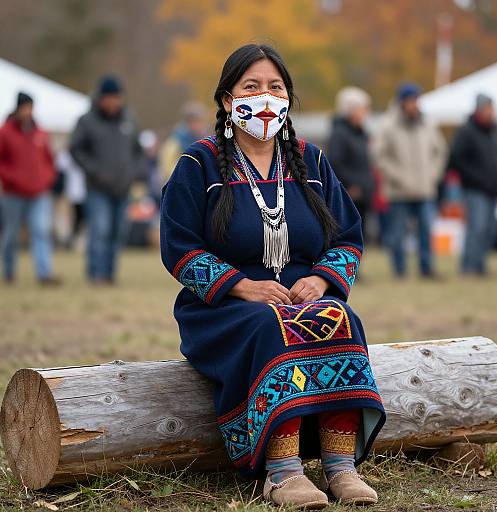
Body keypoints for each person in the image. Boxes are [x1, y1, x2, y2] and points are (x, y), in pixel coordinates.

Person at [160, 44, 385, 508]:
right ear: (227, 99)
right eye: (252, 87)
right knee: (272, 325)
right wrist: (243, 286)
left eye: (275, 88)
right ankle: (282, 472)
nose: (265, 98)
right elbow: (178, 246)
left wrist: (321, 281)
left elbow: (348, 237)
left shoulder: (310, 161)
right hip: (223, 309)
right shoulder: (197, 164)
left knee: (340, 317)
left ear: (288, 98)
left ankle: (341, 467)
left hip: (302, 297)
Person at [70, 75, 146, 284]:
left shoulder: (129, 119)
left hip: (123, 188)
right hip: (97, 188)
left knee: (117, 233)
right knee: (100, 230)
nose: (114, 102)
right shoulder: (87, 121)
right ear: (101, 98)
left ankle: (110, 274)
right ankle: (97, 274)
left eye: (117, 97)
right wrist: (94, 170)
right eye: (110, 97)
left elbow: (139, 152)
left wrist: (134, 172)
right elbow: (75, 150)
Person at [373, 83, 447, 278]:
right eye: (410, 100)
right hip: (398, 191)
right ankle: (400, 271)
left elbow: (440, 152)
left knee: (426, 232)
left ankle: (427, 268)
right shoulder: (387, 125)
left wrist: (433, 175)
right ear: (402, 102)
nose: (414, 104)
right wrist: (397, 177)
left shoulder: (428, 124)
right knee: (397, 234)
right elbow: (378, 156)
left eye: (416, 100)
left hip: (425, 190)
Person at [0, 92, 60, 285]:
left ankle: (44, 274)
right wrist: (11, 178)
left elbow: (50, 161)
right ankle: (9, 272)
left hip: (38, 193)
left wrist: (46, 179)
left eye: (30, 107)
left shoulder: (40, 133)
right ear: (17, 108)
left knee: (41, 231)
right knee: (12, 234)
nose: (28, 111)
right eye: (24, 107)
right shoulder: (5, 132)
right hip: (13, 194)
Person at [449, 94, 497, 275]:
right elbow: (457, 160)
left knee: (489, 230)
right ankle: (469, 266)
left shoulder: (494, 132)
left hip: (493, 190)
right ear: (480, 110)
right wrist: (476, 178)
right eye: (489, 108)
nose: (492, 112)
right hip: (475, 189)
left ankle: (480, 264)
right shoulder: (467, 131)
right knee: (476, 228)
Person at [326, 87, 374, 241]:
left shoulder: (361, 134)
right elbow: (334, 163)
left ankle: (357, 265)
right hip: (349, 194)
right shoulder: (340, 134)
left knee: (360, 237)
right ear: (351, 110)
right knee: (347, 237)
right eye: (363, 109)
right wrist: (350, 185)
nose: (366, 113)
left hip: (362, 194)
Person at [159, 102, 207, 182]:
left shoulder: (207, 140)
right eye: (193, 121)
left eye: (199, 121)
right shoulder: (175, 141)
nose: (196, 125)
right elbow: (167, 168)